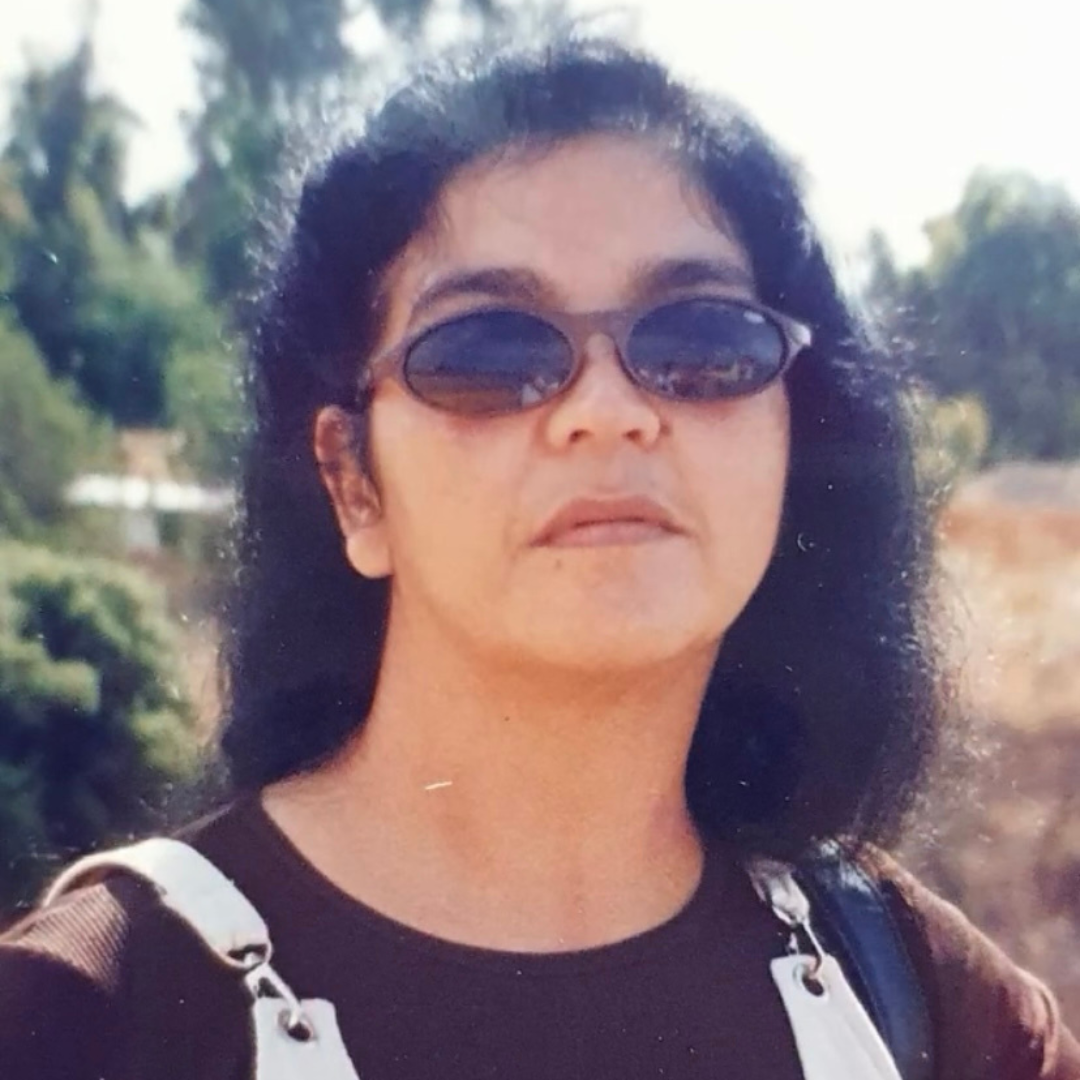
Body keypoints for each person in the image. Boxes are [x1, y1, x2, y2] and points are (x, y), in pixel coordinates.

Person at [1, 29, 1078, 1080]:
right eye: (489, 351)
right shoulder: (81, 1019)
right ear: (353, 483)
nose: (607, 410)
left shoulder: (923, 1005)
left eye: (701, 341)